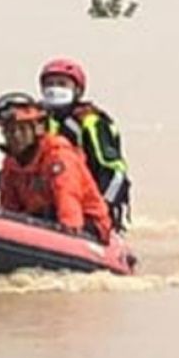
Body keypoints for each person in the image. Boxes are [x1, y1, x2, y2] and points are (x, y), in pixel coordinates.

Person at [0, 92, 113, 242]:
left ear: (37, 129)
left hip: (85, 222)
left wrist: (70, 231)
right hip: (41, 219)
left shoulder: (58, 156)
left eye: (22, 129)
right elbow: (9, 207)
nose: (16, 136)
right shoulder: (11, 164)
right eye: (10, 131)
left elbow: (67, 195)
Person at [38, 58, 131, 230]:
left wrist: (104, 206)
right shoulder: (36, 122)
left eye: (62, 83)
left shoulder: (90, 122)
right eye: (49, 84)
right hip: (49, 201)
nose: (54, 89)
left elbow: (115, 172)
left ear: (78, 90)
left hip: (87, 202)